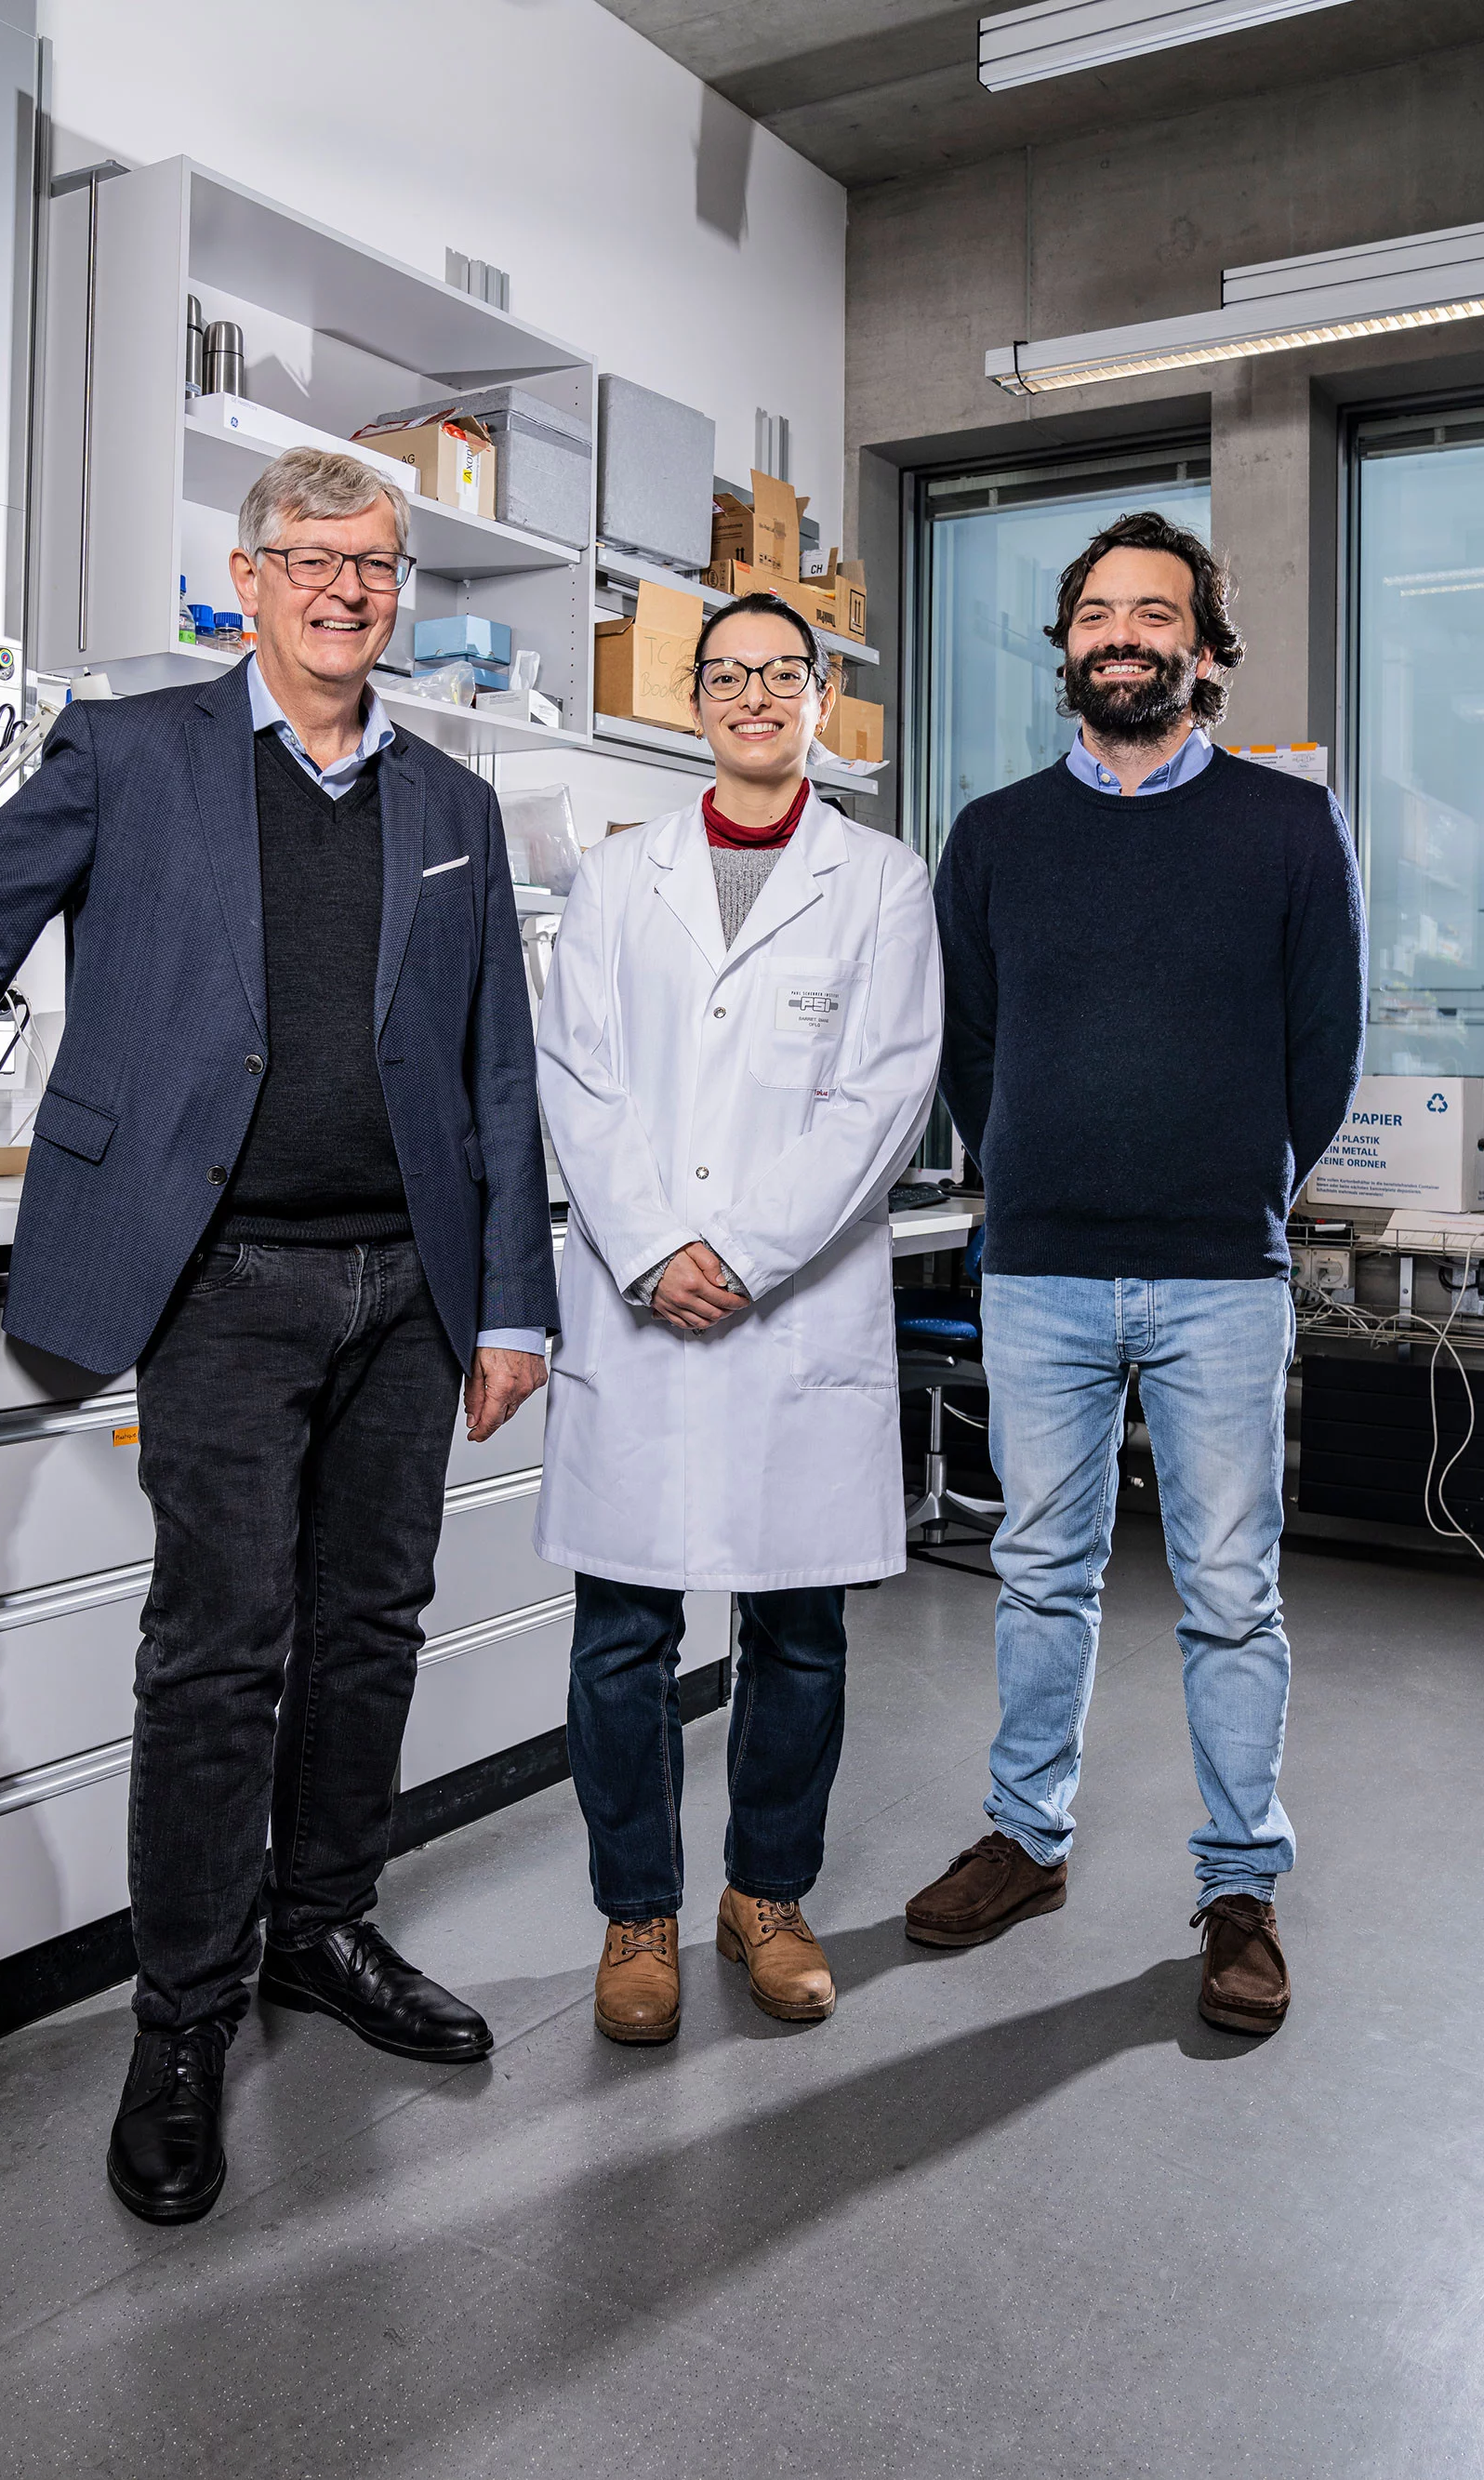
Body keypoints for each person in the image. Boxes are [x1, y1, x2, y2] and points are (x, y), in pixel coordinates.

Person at [0, 447, 557, 2221]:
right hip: (220, 1281)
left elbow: (494, 1067)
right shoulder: (130, 752)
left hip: (411, 1286)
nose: (345, 589)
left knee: (371, 1629)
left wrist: (512, 1299)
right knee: (219, 1650)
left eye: (375, 564)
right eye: (312, 558)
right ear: (246, 579)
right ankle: (180, 2019)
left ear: (401, 591)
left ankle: (322, 1925)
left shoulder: (453, 799)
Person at [907, 509, 1365, 2036]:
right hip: (1041, 1266)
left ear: (1205, 649)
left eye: (1154, 613)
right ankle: (1027, 1838)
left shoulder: (1289, 826)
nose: (1122, 634)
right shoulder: (995, 836)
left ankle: (1240, 1886)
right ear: (1067, 646)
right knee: (1042, 1570)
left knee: (1230, 1592)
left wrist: (1238, 1180)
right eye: (1097, 612)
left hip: (1220, 1272)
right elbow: (969, 1043)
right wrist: (1029, 1160)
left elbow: (1326, 1046)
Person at [536, 591, 942, 2043]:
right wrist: (656, 1249)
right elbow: (575, 1075)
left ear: (820, 696)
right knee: (622, 1634)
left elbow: (885, 1093)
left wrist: (747, 1253)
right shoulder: (617, 877)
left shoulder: (882, 880)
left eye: (783, 672)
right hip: (641, 1303)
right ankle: (636, 1913)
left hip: (794, 1308)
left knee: (799, 1630)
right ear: (692, 697)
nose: (754, 694)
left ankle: (765, 1895)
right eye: (727, 673)